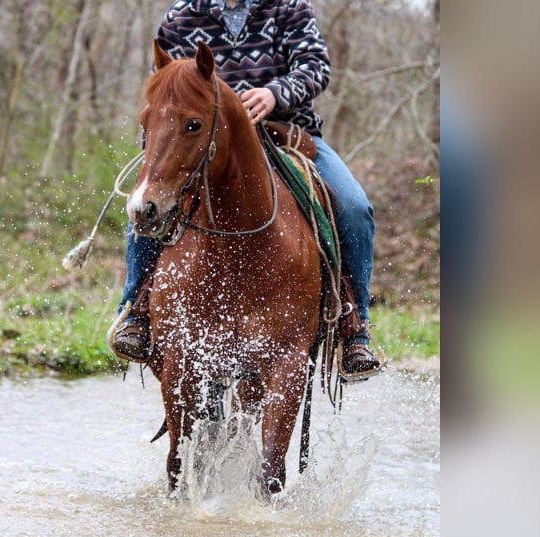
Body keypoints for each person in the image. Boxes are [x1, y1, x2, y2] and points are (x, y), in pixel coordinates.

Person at [113, 0, 381, 377]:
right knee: (146, 204)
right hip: (199, 144)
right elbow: (165, 92)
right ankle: (137, 309)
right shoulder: (182, 16)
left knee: (354, 206)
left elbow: (315, 66)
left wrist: (275, 93)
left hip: (286, 134)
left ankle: (354, 327)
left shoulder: (289, 8)